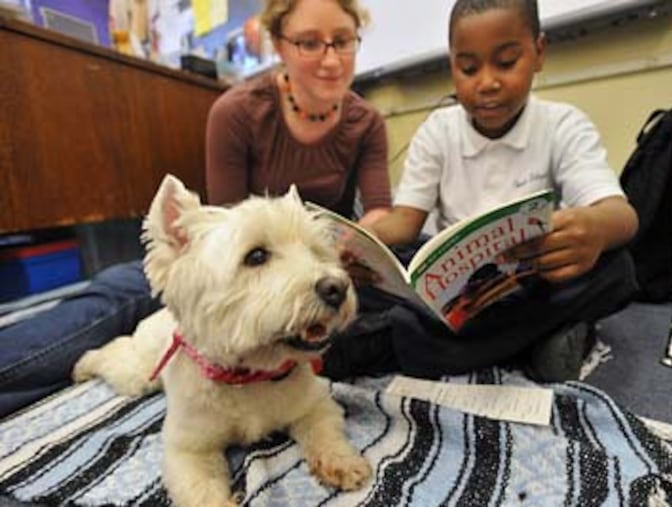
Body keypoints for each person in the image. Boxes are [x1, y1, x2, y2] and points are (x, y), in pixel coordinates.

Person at [0, 0, 392, 418]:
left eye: (343, 41)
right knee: (118, 292)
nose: (331, 59)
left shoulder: (366, 122)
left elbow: (379, 210)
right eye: (309, 43)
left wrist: (360, 245)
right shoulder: (237, 111)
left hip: (322, 261)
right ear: (278, 43)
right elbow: (222, 233)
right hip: (235, 266)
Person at [321, 0, 639, 383]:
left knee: (617, 269)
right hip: (449, 287)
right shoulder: (439, 130)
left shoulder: (562, 124)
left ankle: (388, 339)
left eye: (506, 63)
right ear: (452, 64)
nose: (487, 82)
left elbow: (622, 216)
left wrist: (594, 227)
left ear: (538, 53)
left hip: (525, 279)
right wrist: (358, 245)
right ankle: (530, 340)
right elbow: (404, 223)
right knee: (380, 271)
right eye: (468, 68)